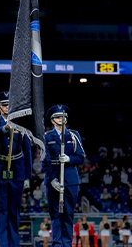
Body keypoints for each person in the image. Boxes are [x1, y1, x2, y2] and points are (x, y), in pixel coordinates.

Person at [0, 91, 32, 247]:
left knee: (14, 212)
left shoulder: (21, 123)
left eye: (9, 104)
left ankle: (14, 244)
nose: (7, 107)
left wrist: (28, 176)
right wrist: (5, 128)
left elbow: (27, 150)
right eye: (4, 105)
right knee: (1, 211)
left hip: (17, 171)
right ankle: (3, 244)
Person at [43, 105, 85, 247]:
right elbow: (45, 160)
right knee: (55, 214)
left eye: (63, 117)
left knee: (68, 214)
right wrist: (52, 179)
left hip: (70, 179)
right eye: (58, 117)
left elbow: (81, 157)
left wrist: (69, 159)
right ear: (52, 120)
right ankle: (57, 243)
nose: (61, 119)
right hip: (53, 178)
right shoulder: (47, 137)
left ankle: (67, 243)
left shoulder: (74, 135)